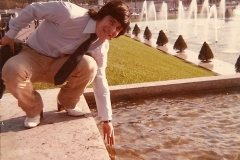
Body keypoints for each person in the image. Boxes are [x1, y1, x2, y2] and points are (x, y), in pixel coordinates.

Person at [0, 1, 131, 146]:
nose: (112, 30)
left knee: (90, 66)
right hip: (32, 56)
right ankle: (34, 109)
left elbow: (100, 79)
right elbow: (34, 9)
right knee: (11, 69)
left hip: (59, 65)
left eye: (118, 28)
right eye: (111, 22)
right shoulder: (70, 13)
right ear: (101, 15)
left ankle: (67, 101)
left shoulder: (100, 45)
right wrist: (10, 35)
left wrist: (107, 120)